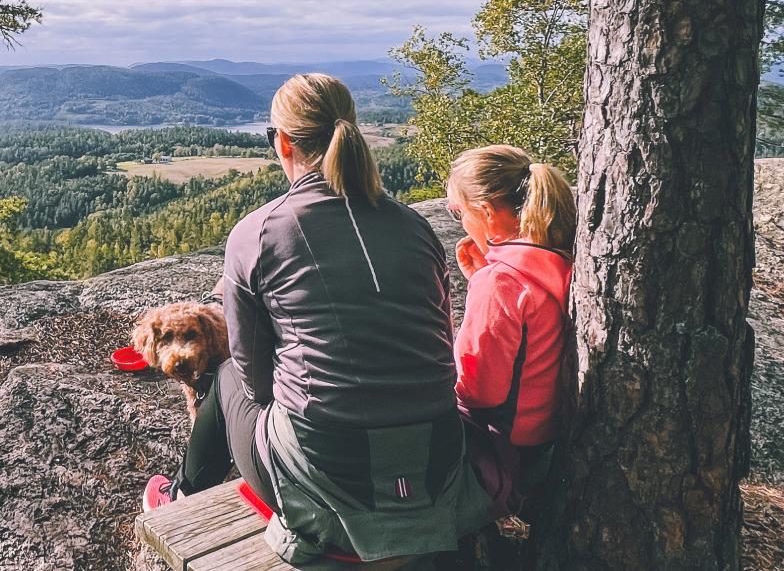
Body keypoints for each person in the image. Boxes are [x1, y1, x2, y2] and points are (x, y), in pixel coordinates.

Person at [142, 73, 493, 565]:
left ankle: (181, 495)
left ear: (283, 141)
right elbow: (437, 338)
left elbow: (254, 381)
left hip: (329, 476)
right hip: (434, 462)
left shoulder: (258, 233)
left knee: (223, 377)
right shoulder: (414, 226)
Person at [445, 144, 577, 518]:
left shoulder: (500, 283)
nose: (463, 224)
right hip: (544, 437)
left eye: (460, 214)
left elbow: (479, 391)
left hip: (502, 450)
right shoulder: (559, 262)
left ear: (486, 212)